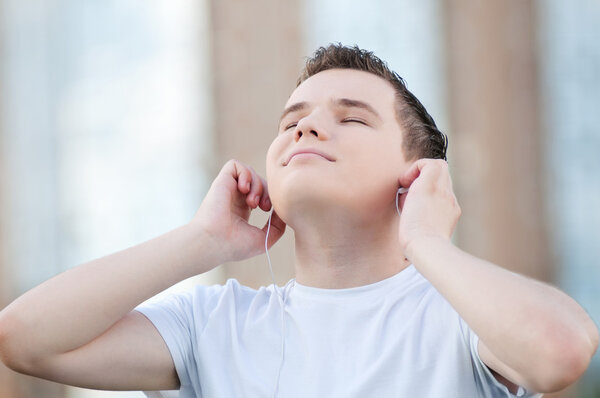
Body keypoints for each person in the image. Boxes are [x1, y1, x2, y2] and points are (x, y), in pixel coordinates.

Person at [0, 44, 597, 398]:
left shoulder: (461, 319)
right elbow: (24, 338)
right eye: (292, 121)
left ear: (417, 175)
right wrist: (200, 242)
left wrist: (424, 239)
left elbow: (561, 351)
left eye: (352, 118)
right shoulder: (215, 325)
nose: (305, 129)